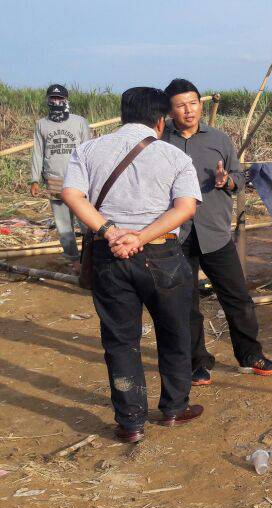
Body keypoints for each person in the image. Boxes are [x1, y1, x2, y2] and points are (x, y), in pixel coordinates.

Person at [61, 87, 205, 443]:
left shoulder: (88, 149)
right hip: (161, 256)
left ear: (123, 115)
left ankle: (131, 422)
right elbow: (185, 208)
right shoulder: (174, 157)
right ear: (161, 120)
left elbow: (71, 195)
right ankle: (174, 409)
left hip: (109, 255)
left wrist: (110, 232)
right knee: (174, 333)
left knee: (121, 341)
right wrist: (140, 237)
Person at [161, 79, 272, 384]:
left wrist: (226, 181)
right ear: (170, 110)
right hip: (177, 237)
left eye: (193, 103)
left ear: (200, 105)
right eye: (181, 105)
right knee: (186, 304)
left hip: (215, 234)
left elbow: (240, 177)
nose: (189, 110)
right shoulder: (161, 143)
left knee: (238, 298)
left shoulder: (219, 139)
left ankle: (249, 355)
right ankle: (196, 362)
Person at [29, 84, 92, 262]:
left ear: (66, 100)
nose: (56, 102)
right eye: (52, 98)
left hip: (79, 180)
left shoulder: (79, 122)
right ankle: (72, 258)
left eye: (60, 99)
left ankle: (90, 257)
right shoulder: (41, 124)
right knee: (64, 226)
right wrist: (34, 179)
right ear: (48, 100)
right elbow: (38, 152)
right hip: (55, 180)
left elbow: (89, 150)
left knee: (86, 222)